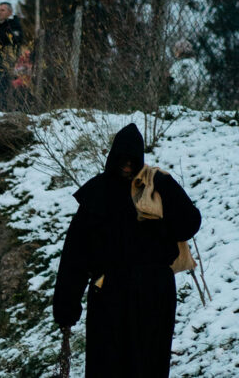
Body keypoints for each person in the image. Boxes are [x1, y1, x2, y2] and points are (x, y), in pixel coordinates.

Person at [53, 123, 201, 378]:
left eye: (132, 161)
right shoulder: (97, 193)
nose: (127, 167)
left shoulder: (156, 188)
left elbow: (188, 225)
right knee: (108, 366)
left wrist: (166, 187)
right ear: (113, 159)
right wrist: (66, 306)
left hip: (154, 296)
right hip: (109, 293)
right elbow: (75, 255)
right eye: (122, 160)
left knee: (149, 365)